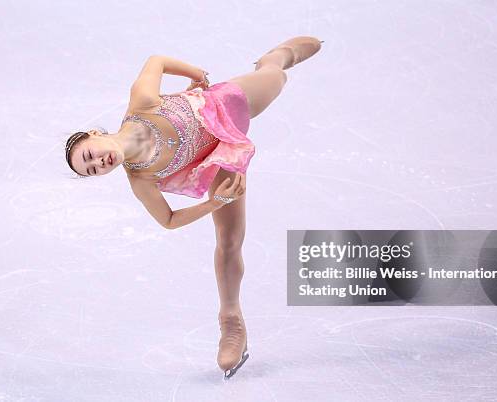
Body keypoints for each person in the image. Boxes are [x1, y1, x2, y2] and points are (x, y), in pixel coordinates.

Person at [64, 36, 324, 379]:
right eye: (93, 170)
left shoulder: (142, 103)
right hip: (216, 160)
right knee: (229, 241)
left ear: (93, 134)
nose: (98, 162)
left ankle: (275, 57)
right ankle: (231, 320)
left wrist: (197, 74)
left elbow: (155, 59)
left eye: (89, 155)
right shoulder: (141, 180)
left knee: (277, 77)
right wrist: (213, 203)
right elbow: (168, 220)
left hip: (224, 104)